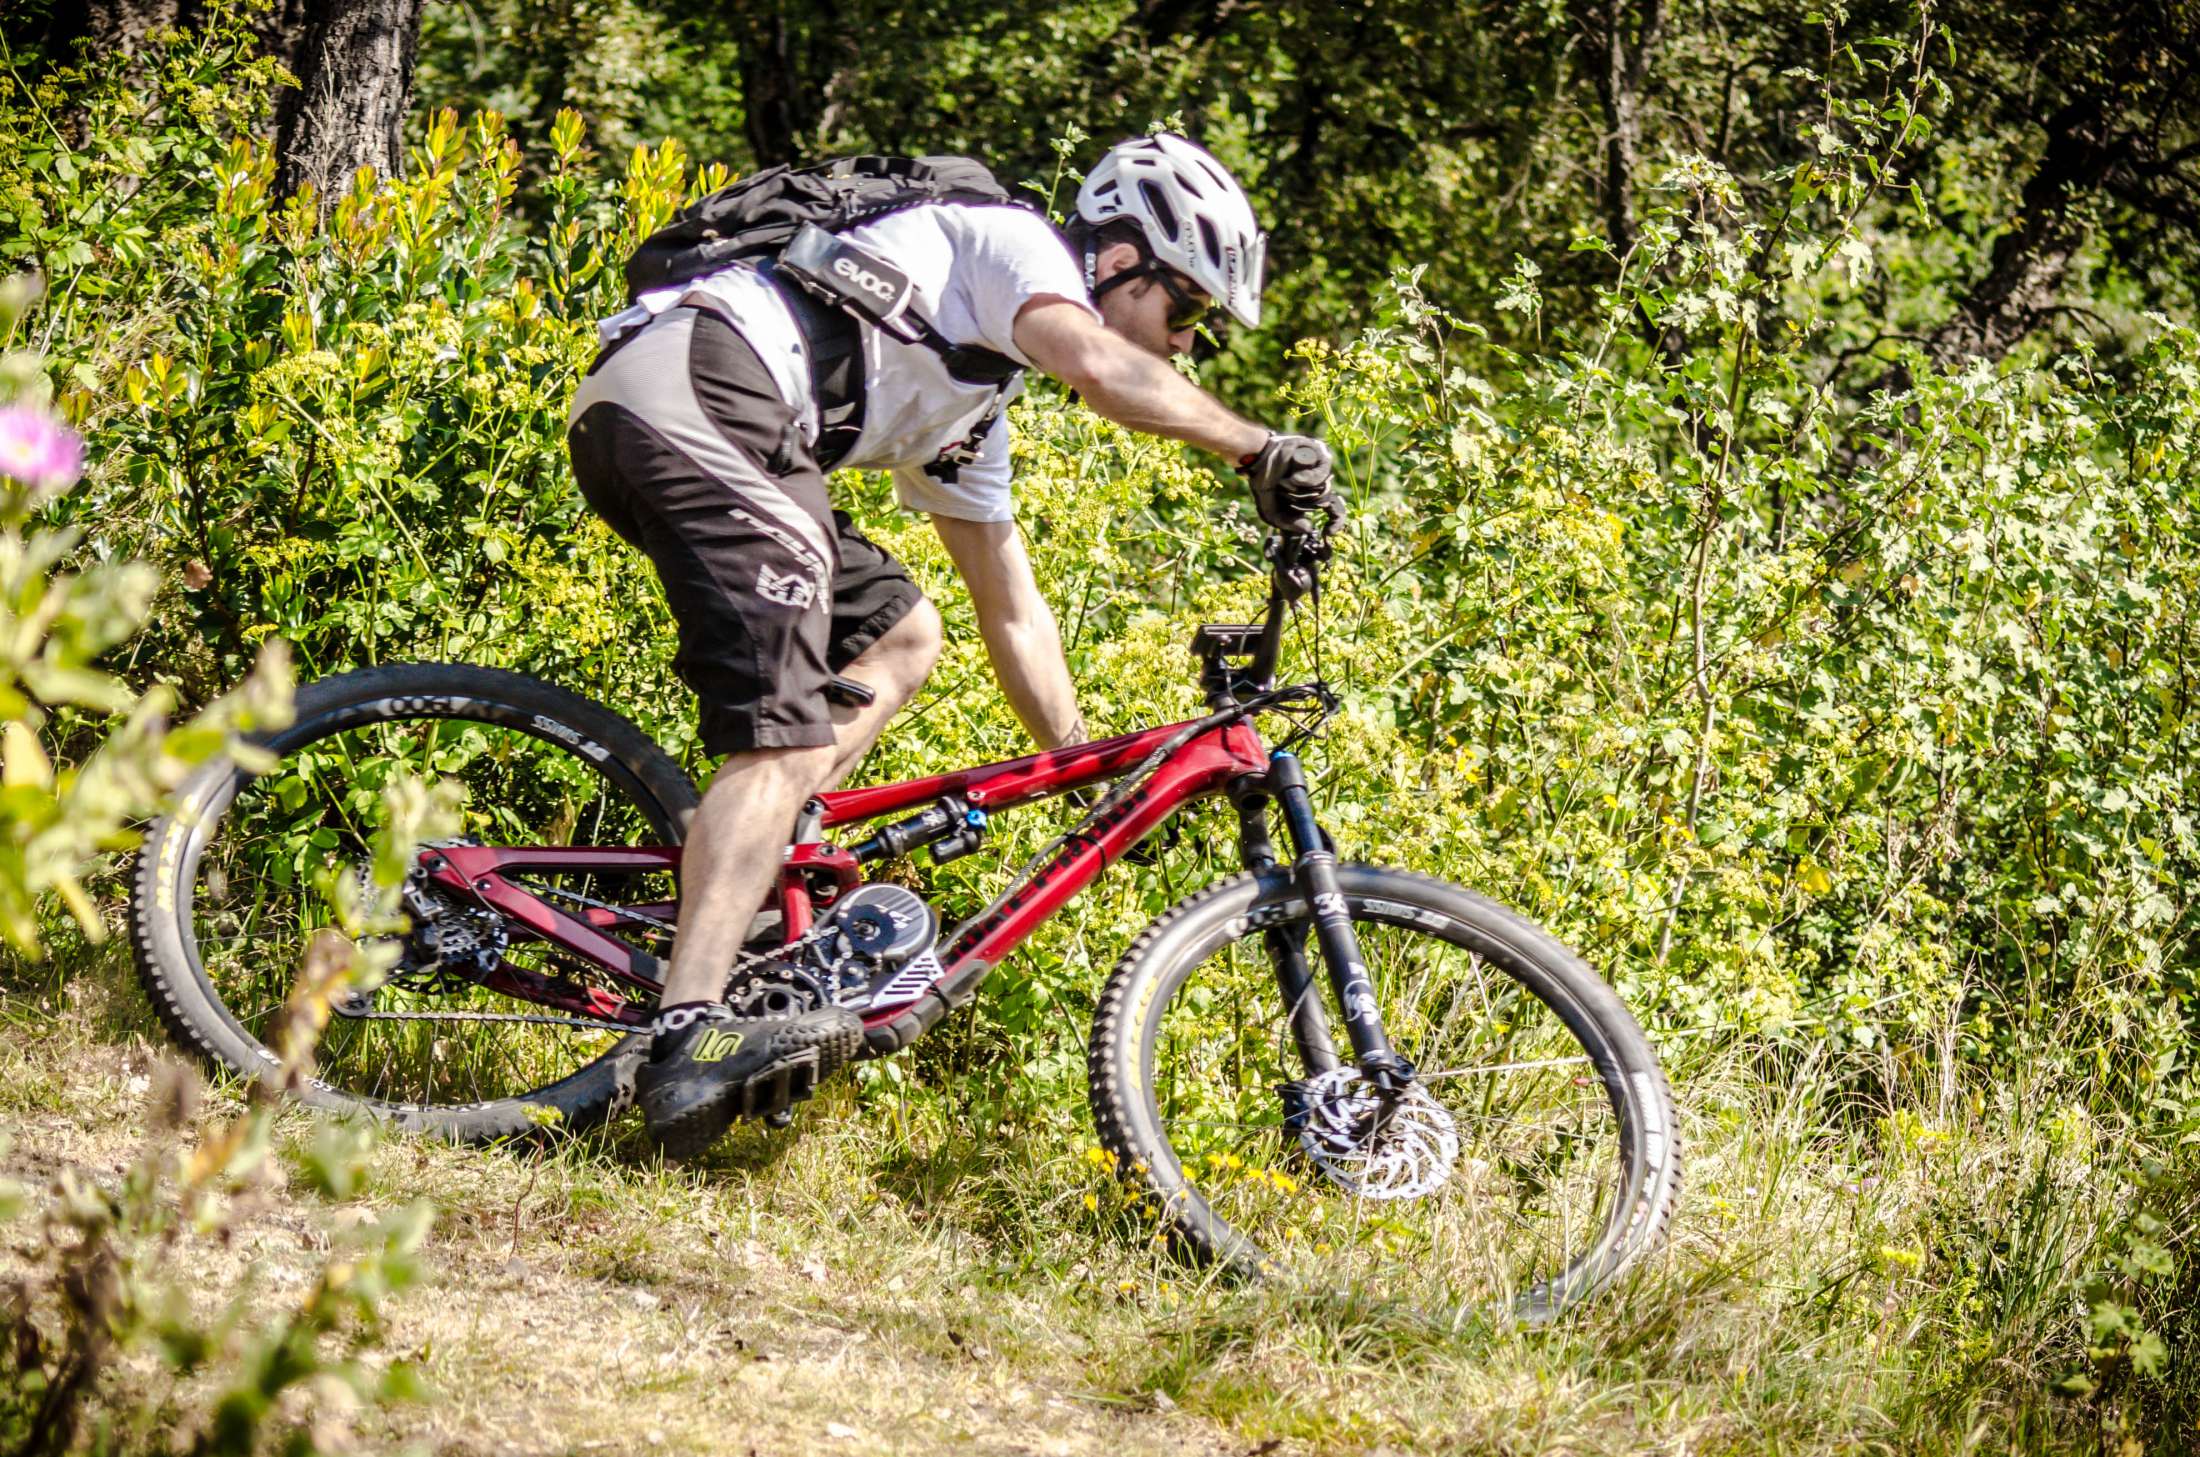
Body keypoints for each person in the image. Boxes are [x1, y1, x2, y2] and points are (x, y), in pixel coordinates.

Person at [565, 133, 1342, 1156]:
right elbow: (1099, 364)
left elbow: (1009, 607)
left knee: (900, 635)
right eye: (1185, 311)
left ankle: (740, 884)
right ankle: (687, 1035)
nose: (1186, 345)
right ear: (1116, 264)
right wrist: (1253, 444)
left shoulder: (972, 406)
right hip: (700, 394)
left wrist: (1093, 764)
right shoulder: (1014, 245)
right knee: (786, 735)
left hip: (699, 414)